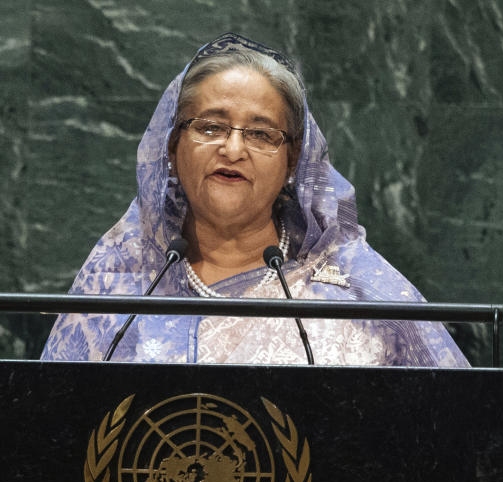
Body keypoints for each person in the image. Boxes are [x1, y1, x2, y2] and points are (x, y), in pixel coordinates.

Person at [41, 33, 469, 367]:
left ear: (292, 162)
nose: (232, 149)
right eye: (210, 127)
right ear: (172, 146)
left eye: (262, 134)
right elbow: (46, 430)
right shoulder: (118, 276)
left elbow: (462, 433)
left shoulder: (357, 290)